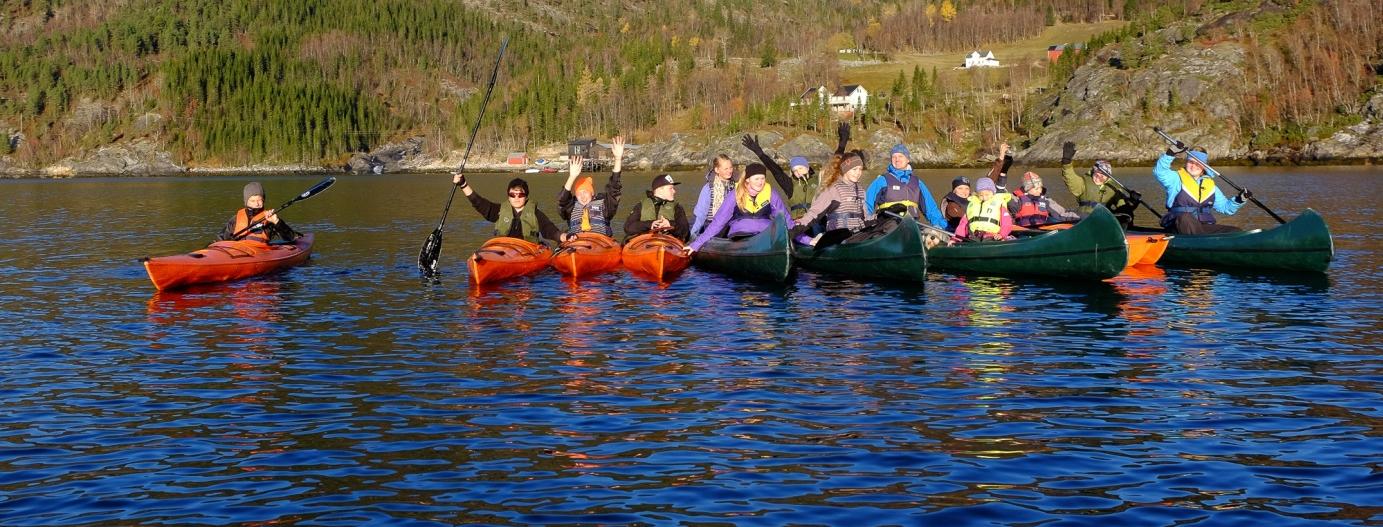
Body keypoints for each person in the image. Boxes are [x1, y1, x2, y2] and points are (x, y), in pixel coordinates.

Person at [742, 122, 851, 220]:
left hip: (818, 220)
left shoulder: (820, 179)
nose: (798, 172)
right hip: (799, 221)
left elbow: (834, 165)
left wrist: (842, 143)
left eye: (800, 168)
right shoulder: (789, 185)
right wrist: (760, 153)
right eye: (794, 170)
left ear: (807, 168)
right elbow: (775, 170)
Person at [687, 163, 789, 253]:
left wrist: (803, 240)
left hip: (765, 234)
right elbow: (718, 222)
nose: (760, 182)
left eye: (762, 178)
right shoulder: (735, 194)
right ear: (748, 180)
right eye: (756, 179)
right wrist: (696, 244)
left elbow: (786, 219)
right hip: (741, 236)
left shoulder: (771, 193)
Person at [1154, 144, 1246, 234]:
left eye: (1198, 163)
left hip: (1202, 226)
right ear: (1186, 162)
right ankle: (1203, 243)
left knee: (1235, 231)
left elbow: (1226, 208)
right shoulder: (1175, 179)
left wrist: (1239, 200)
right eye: (1191, 162)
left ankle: (1207, 241)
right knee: (1185, 218)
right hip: (1178, 225)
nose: (1194, 166)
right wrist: (1170, 154)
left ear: (1204, 166)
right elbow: (1160, 172)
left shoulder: (1211, 186)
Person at [454, 173, 565, 244]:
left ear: (526, 197)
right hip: (503, 249)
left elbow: (549, 230)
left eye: (520, 195)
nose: (516, 198)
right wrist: (463, 184)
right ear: (508, 196)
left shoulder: (535, 213)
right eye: (512, 195)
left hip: (526, 250)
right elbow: (478, 202)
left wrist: (563, 236)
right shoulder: (499, 210)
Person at [793, 150, 872, 245]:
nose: (858, 173)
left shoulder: (860, 190)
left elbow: (865, 216)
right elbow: (814, 213)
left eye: (860, 169)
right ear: (845, 169)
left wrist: (877, 218)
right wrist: (796, 227)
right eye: (854, 169)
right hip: (838, 237)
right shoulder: (833, 190)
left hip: (858, 235)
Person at [864, 143, 946, 228]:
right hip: (887, 225)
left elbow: (931, 210)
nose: (897, 159)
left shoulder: (917, 183)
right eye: (894, 157)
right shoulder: (881, 181)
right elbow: (866, 206)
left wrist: (943, 226)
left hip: (912, 225)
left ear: (907, 159)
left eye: (900, 156)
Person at [1060, 141, 1139, 227]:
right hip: (1084, 218)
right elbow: (1069, 177)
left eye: (1103, 175)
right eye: (1097, 174)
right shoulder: (1083, 183)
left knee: (1126, 212)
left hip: (1104, 219)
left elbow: (1124, 206)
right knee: (1085, 217)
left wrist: (1133, 201)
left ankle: (1127, 233)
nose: (1099, 177)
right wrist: (1066, 162)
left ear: (1108, 177)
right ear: (1093, 172)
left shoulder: (1114, 188)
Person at [558, 137, 624, 238]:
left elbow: (614, 188)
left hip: (599, 243)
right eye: (579, 193)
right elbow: (562, 200)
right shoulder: (570, 207)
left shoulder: (605, 205)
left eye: (585, 192)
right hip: (576, 242)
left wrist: (618, 159)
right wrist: (572, 177)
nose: (582, 196)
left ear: (592, 193)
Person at [217, 182, 298, 243]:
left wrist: (276, 222)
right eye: (252, 201)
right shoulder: (235, 219)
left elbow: (291, 238)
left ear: (263, 200)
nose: (256, 203)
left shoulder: (269, 218)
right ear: (246, 202)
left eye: (260, 200)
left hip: (260, 253)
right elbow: (221, 239)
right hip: (238, 251)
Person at [623, 174, 690, 241]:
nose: (674, 191)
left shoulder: (677, 208)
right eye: (670, 188)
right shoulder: (641, 205)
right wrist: (650, 224)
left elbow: (685, 231)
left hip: (668, 242)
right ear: (660, 190)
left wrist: (670, 224)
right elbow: (628, 227)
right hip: (644, 242)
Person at [690, 154, 737, 239]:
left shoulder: (736, 186)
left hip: (731, 224)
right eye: (726, 168)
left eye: (731, 168)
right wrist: (692, 235)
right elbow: (701, 214)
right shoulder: (708, 188)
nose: (729, 171)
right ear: (717, 170)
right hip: (712, 225)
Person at [1009, 171, 1081, 227]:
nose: (1039, 190)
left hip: (1041, 230)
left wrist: (1081, 217)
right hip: (1022, 231)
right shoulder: (1016, 199)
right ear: (1027, 189)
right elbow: (1002, 193)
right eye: (1035, 188)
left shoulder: (1046, 200)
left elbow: (1062, 214)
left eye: (1040, 187)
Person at [954, 177, 1014, 241]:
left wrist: (1002, 234)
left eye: (987, 194)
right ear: (977, 194)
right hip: (973, 236)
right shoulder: (972, 204)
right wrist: (955, 239)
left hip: (993, 236)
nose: (984, 198)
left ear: (993, 193)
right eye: (981, 195)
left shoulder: (999, 203)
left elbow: (1007, 222)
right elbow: (962, 224)